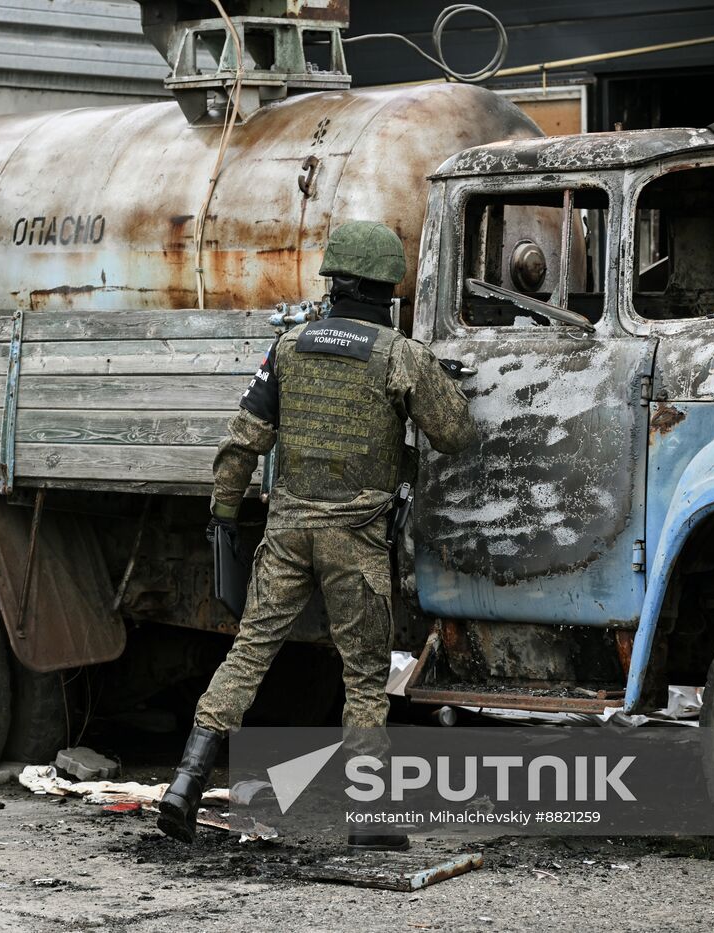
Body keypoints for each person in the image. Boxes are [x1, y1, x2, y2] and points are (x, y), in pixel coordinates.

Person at [156, 221, 477, 849]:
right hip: (354, 542)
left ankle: (184, 787)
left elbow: (241, 445)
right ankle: (370, 816)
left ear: (334, 282)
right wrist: (439, 388)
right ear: (386, 290)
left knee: (249, 655)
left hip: (287, 534)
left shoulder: (289, 347)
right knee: (362, 677)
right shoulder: (400, 355)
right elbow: (456, 435)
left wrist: (223, 519)